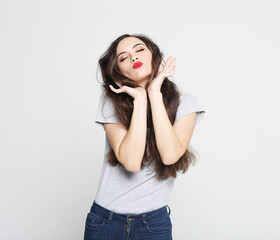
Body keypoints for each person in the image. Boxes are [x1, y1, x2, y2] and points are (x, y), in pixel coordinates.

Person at [83, 33, 206, 240]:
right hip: (105, 222)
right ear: (118, 71)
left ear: (154, 55)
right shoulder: (111, 101)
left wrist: (154, 93)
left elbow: (169, 155)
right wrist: (140, 100)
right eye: (123, 57)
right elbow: (131, 162)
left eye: (139, 49)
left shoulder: (185, 104)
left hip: (153, 225)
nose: (133, 57)